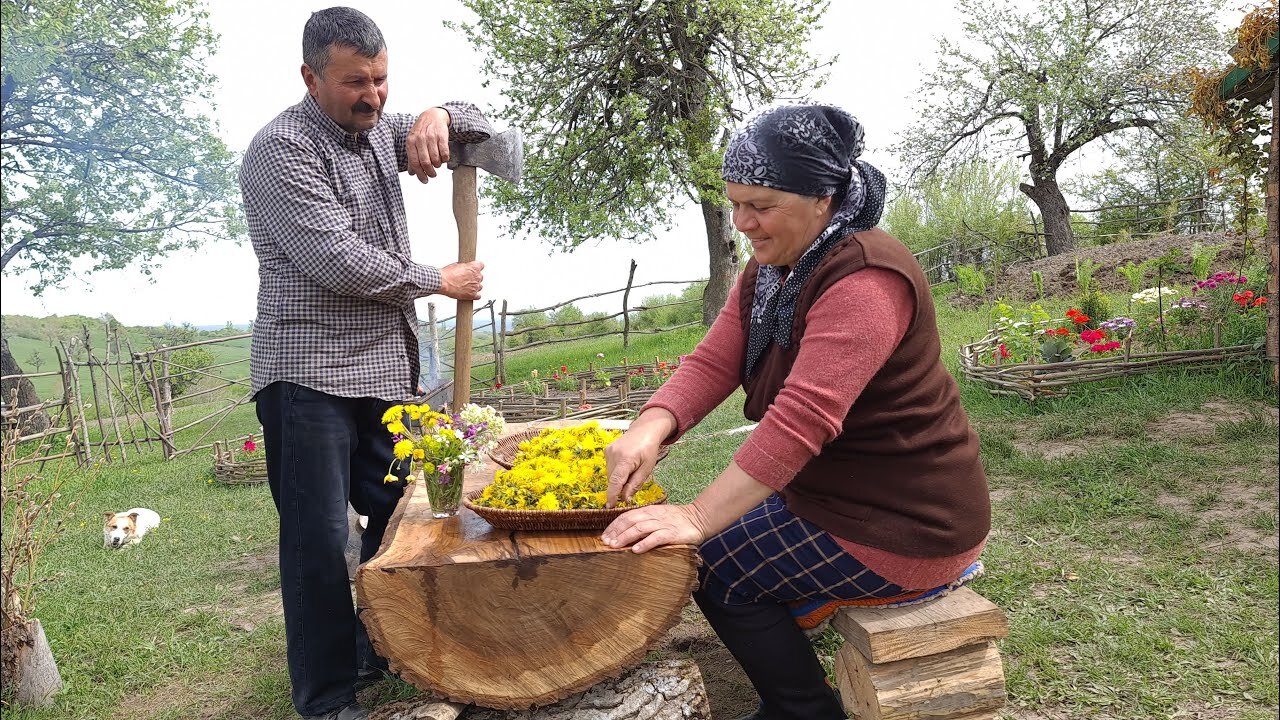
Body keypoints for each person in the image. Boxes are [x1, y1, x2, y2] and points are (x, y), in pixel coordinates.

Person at [601, 104, 991, 720]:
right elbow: (713, 361)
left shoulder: (866, 278)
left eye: (762, 204)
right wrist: (653, 423)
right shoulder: (773, 271)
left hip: (907, 519)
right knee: (716, 544)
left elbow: (800, 420)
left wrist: (698, 515)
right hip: (842, 496)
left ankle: (803, 709)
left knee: (715, 565)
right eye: (734, 203)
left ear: (823, 199)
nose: (744, 222)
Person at [239, 7, 488, 720]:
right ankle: (326, 700)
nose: (372, 96)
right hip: (305, 374)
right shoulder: (280, 150)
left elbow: (486, 132)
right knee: (318, 542)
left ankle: (372, 644)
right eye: (355, 82)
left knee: (399, 517)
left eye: (381, 80)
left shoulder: (382, 129)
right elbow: (334, 260)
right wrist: (440, 278)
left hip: (381, 372)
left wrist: (440, 112)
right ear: (311, 78)